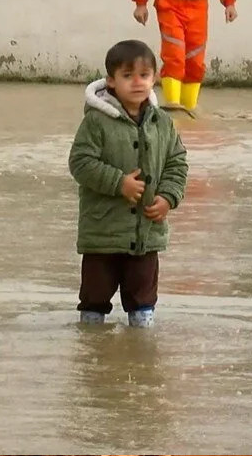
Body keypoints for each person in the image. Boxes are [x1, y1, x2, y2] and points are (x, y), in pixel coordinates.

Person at [68, 40, 189, 328]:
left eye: (144, 75)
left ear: (155, 78)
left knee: (143, 301)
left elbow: (177, 163)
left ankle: (141, 353)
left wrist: (168, 197)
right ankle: (93, 351)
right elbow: (81, 163)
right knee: (94, 299)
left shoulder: (163, 123)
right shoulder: (96, 122)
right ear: (111, 81)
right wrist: (118, 183)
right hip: (103, 234)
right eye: (127, 75)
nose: (137, 82)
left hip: (147, 235)